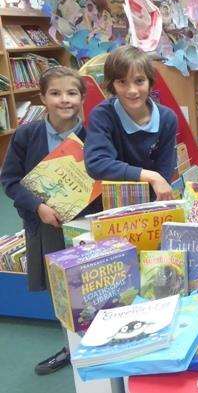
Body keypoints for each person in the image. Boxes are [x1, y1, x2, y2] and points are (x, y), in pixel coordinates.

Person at [0, 66, 94, 375]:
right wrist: (38, 206)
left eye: (71, 93)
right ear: (42, 97)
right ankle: (71, 346)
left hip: (84, 224)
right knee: (60, 290)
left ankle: (93, 344)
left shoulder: (93, 136)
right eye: (55, 93)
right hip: (45, 224)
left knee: (90, 284)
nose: (64, 100)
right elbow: (10, 180)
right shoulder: (28, 135)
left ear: (82, 97)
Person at [84, 45, 177, 200]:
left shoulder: (167, 118)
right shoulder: (102, 115)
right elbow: (96, 163)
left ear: (150, 81)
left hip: (151, 202)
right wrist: (150, 176)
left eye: (139, 81)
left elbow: (165, 171)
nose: (132, 90)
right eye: (122, 82)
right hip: (112, 202)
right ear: (112, 84)